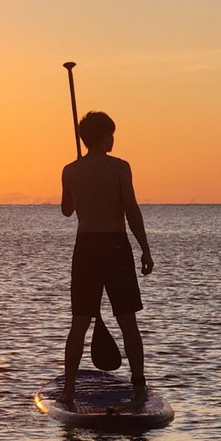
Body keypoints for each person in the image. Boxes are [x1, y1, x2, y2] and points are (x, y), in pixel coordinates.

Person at [59, 111, 154, 404]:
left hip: (86, 248)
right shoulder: (120, 168)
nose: (113, 139)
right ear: (102, 137)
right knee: (128, 321)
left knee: (79, 322)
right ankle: (138, 388)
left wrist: (77, 183)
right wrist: (145, 248)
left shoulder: (70, 170)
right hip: (115, 246)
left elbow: (66, 210)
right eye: (110, 134)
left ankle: (69, 390)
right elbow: (131, 210)